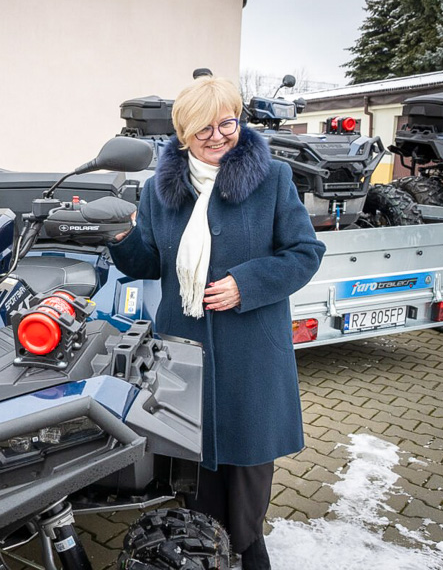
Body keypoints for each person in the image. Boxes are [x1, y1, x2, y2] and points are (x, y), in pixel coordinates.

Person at [109, 76, 325, 569]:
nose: (217, 136)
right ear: (182, 133)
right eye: (203, 128)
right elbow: (149, 263)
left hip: (251, 354)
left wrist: (246, 285)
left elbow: (305, 253)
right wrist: (121, 238)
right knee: (194, 477)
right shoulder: (159, 190)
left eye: (226, 123)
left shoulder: (272, 179)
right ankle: (199, 551)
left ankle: (248, 552)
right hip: (183, 355)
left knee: (246, 485)